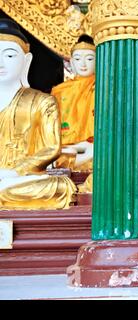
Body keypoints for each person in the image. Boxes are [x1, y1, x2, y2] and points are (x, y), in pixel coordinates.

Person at [0, 19, 76, 209]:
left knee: (59, 187)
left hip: (21, 179)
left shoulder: (42, 102)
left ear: (26, 61)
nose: (1, 62)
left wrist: (16, 172)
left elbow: (51, 148)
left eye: (9, 55)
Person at [51, 35, 96, 171]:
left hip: (93, 147)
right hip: (65, 148)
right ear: (71, 62)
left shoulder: (102, 88)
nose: (83, 64)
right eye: (77, 59)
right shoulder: (59, 92)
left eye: (89, 59)